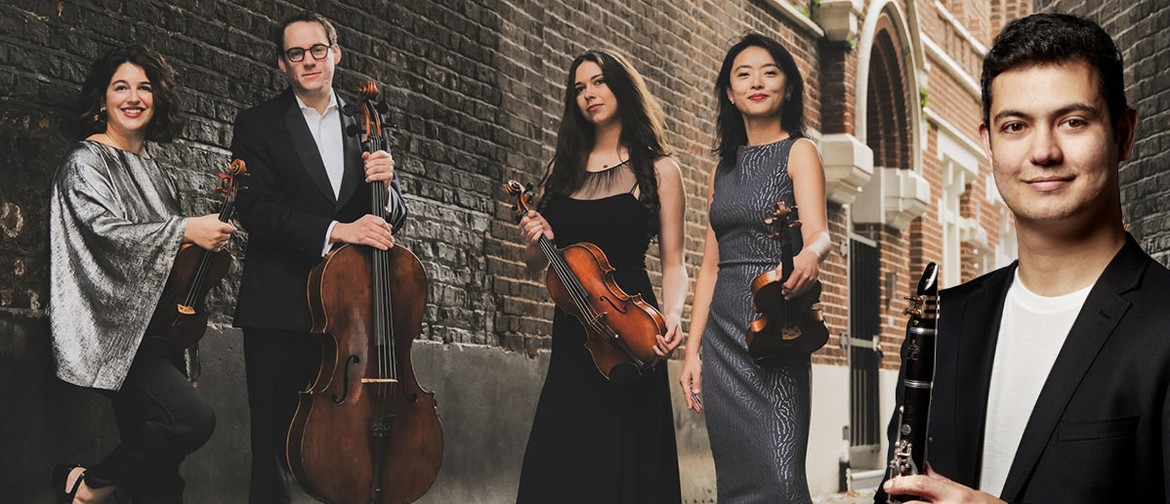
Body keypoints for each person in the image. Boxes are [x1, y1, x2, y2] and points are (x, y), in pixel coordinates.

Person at [876, 13, 1168, 504]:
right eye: (1015, 126)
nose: (1044, 151)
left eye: (1073, 122)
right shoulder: (944, 322)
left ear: (1124, 133)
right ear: (988, 143)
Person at [229, 11, 407, 504]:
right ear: (281, 63)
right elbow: (255, 209)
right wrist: (336, 230)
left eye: (317, 50)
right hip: (279, 305)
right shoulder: (257, 124)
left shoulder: (365, 121)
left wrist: (388, 186)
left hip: (351, 313)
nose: (308, 61)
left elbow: (392, 216)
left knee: (351, 439)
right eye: (295, 53)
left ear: (335, 54)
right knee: (275, 442)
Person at [48, 44, 233, 504]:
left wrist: (186, 360)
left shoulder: (159, 173)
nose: (133, 97)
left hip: (161, 335)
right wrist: (184, 228)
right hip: (118, 334)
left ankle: (95, 489)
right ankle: (87, 487)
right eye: (121, 87)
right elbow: (104, 234)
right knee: (190, 420)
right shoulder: (85, 162)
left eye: (144, 87)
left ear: (157, 99)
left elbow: (178, 275)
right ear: (102, 99)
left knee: (161, 483)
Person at [514, 49, 687, 503]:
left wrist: (673, 315)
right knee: (565, 452)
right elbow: (535, 262)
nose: (589, 94)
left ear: (622, 87)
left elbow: (674, 262)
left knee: (628, 455)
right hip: (575, 328)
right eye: (579, 88)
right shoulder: (562, 170)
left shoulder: (660, 169)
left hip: (634, 327)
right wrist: (534, 237)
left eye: (599, 82)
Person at [678, 33, 831, 503]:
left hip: (776, 329)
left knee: (782, 480)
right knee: (738, 483)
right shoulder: (721, 170)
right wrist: (691, 353)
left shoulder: (799, 151)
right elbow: (709, 267)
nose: (757, 82)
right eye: (743, 75)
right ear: (730, 92)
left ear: (788, 87)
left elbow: (819, 233)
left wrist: (810, 255)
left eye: (770, 72)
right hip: (722, 338)